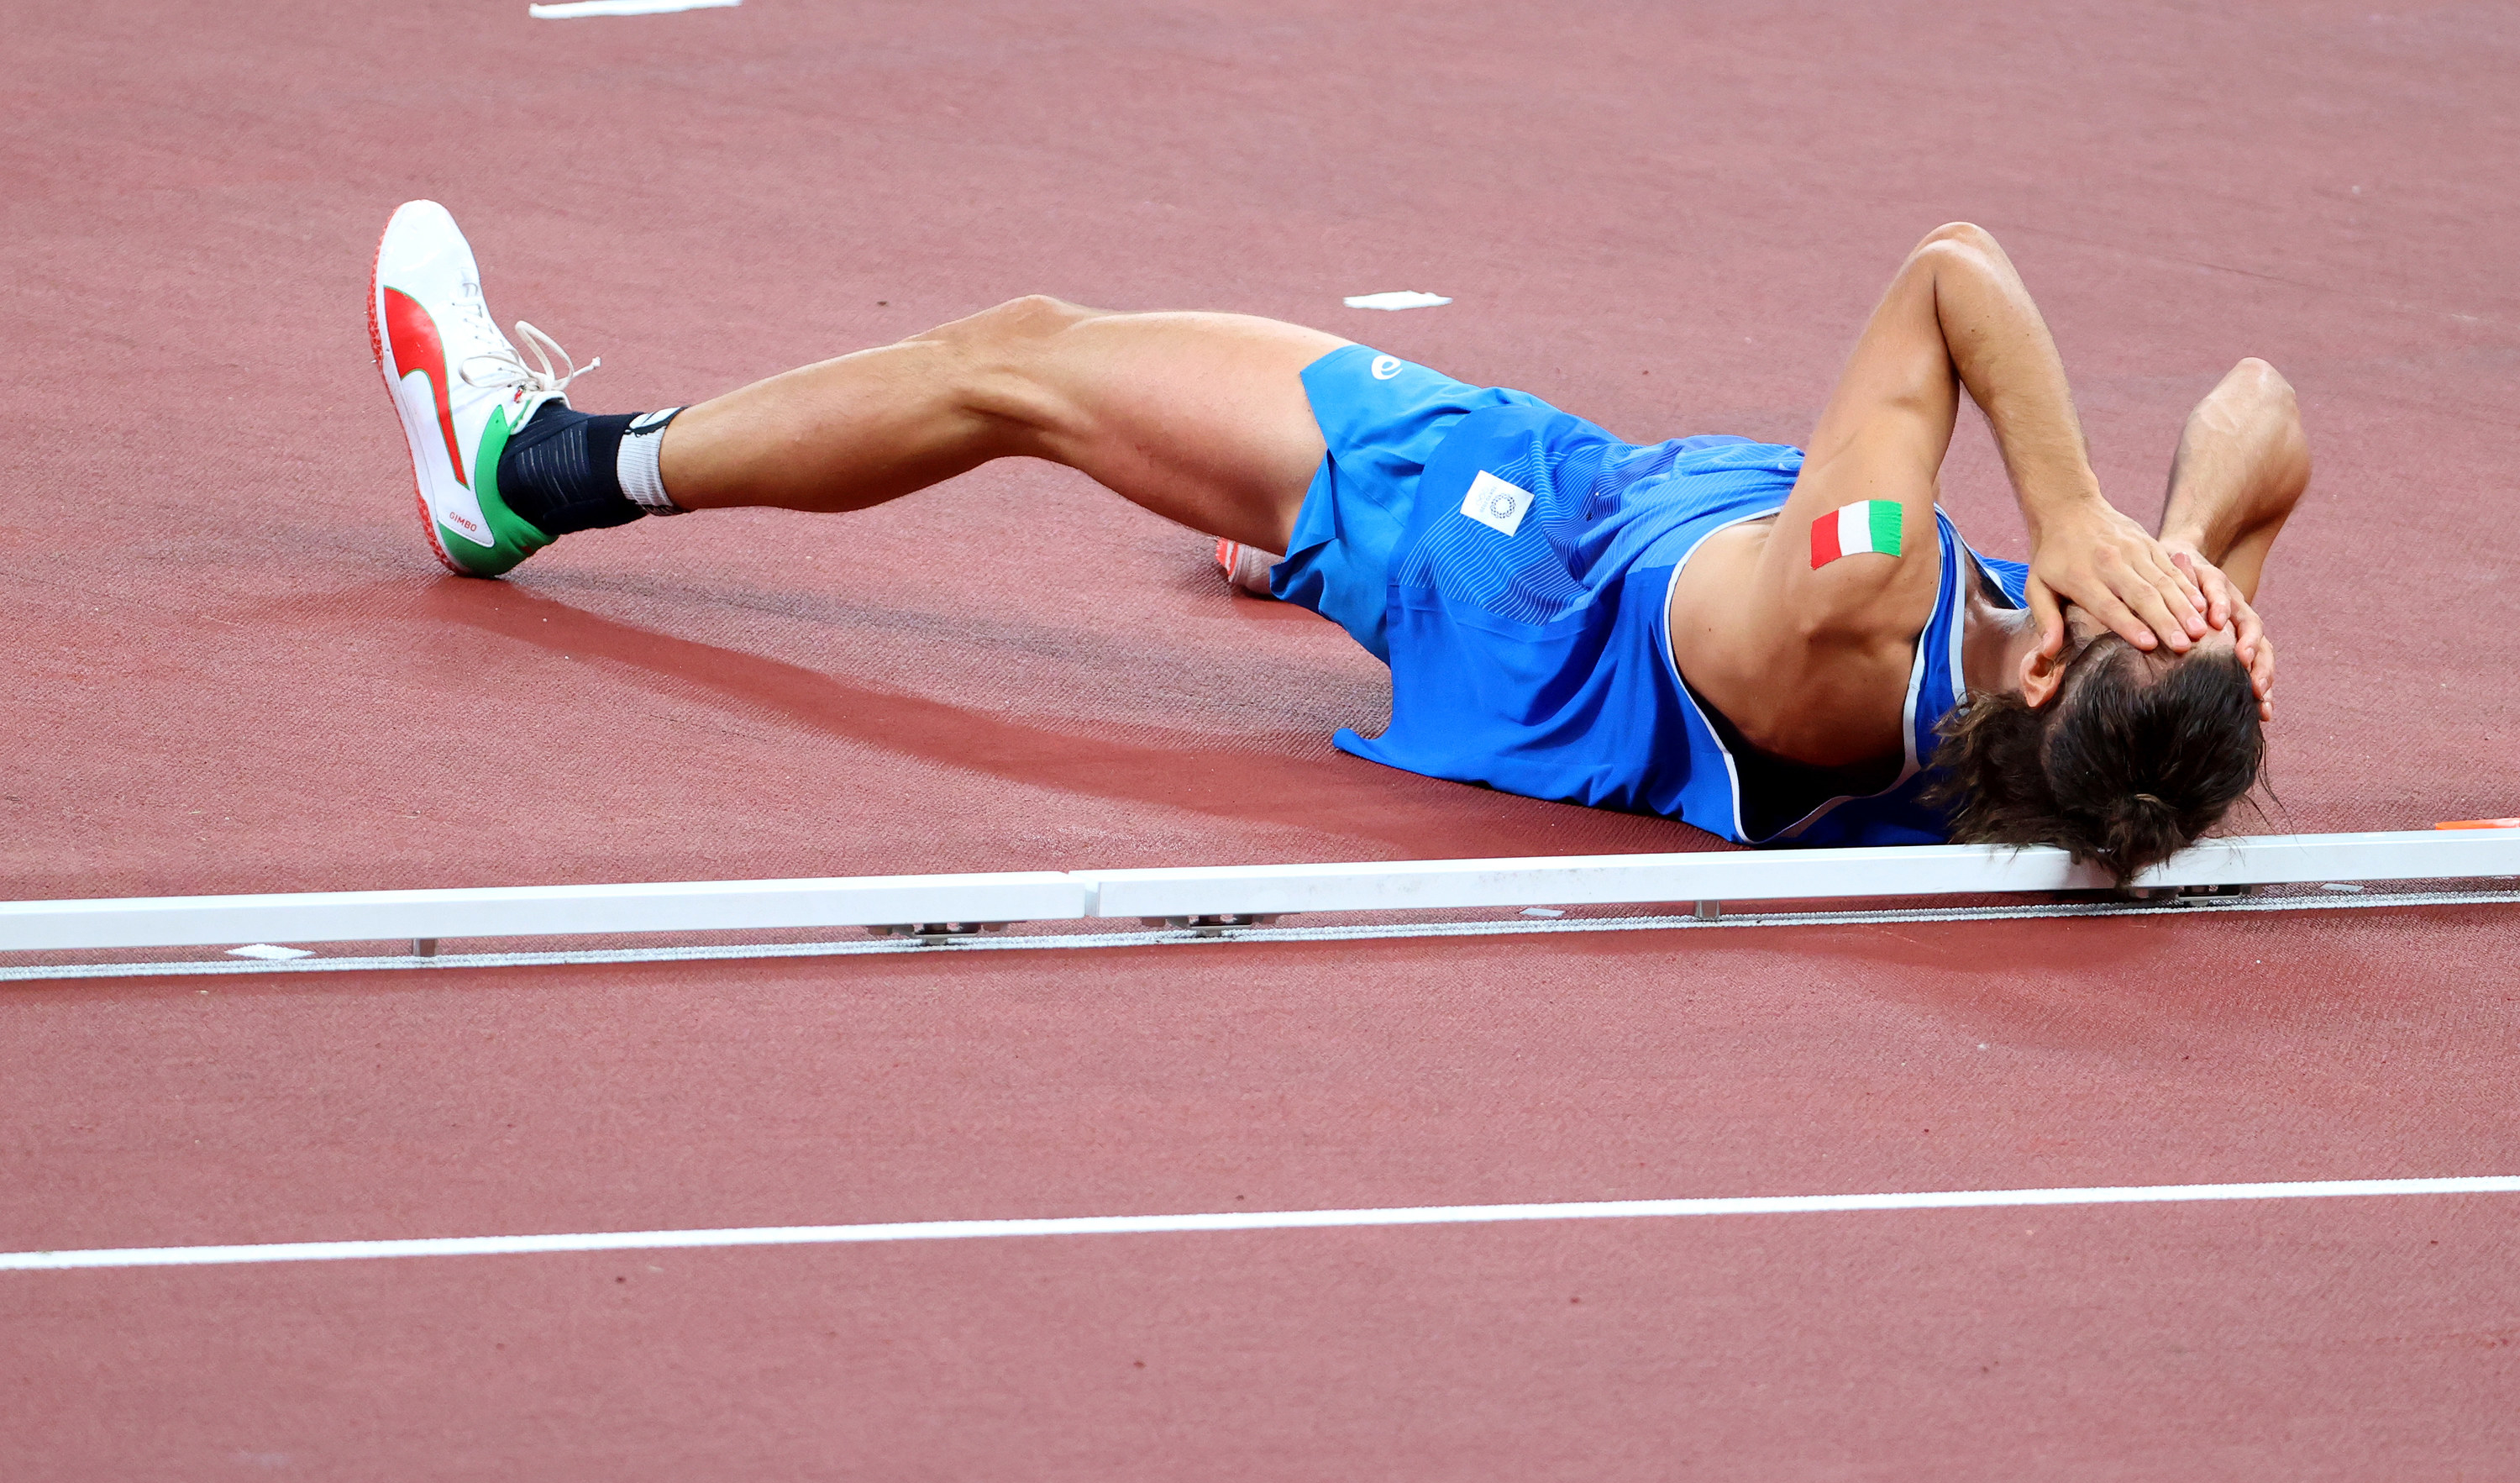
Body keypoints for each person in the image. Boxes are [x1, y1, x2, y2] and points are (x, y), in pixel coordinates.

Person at [370, 202, 2299, 880]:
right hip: (1585, 524)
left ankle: (528, 467)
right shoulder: (2103, 754)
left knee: (1021, 363)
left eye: (2119, 606)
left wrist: (2060, 506)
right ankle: (1275, 539)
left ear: (2053, 650)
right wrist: (2199, 552)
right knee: (1174, 432)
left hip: (1490, 535)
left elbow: (1951, 278)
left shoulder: (1857, 599)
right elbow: (2268, 420)